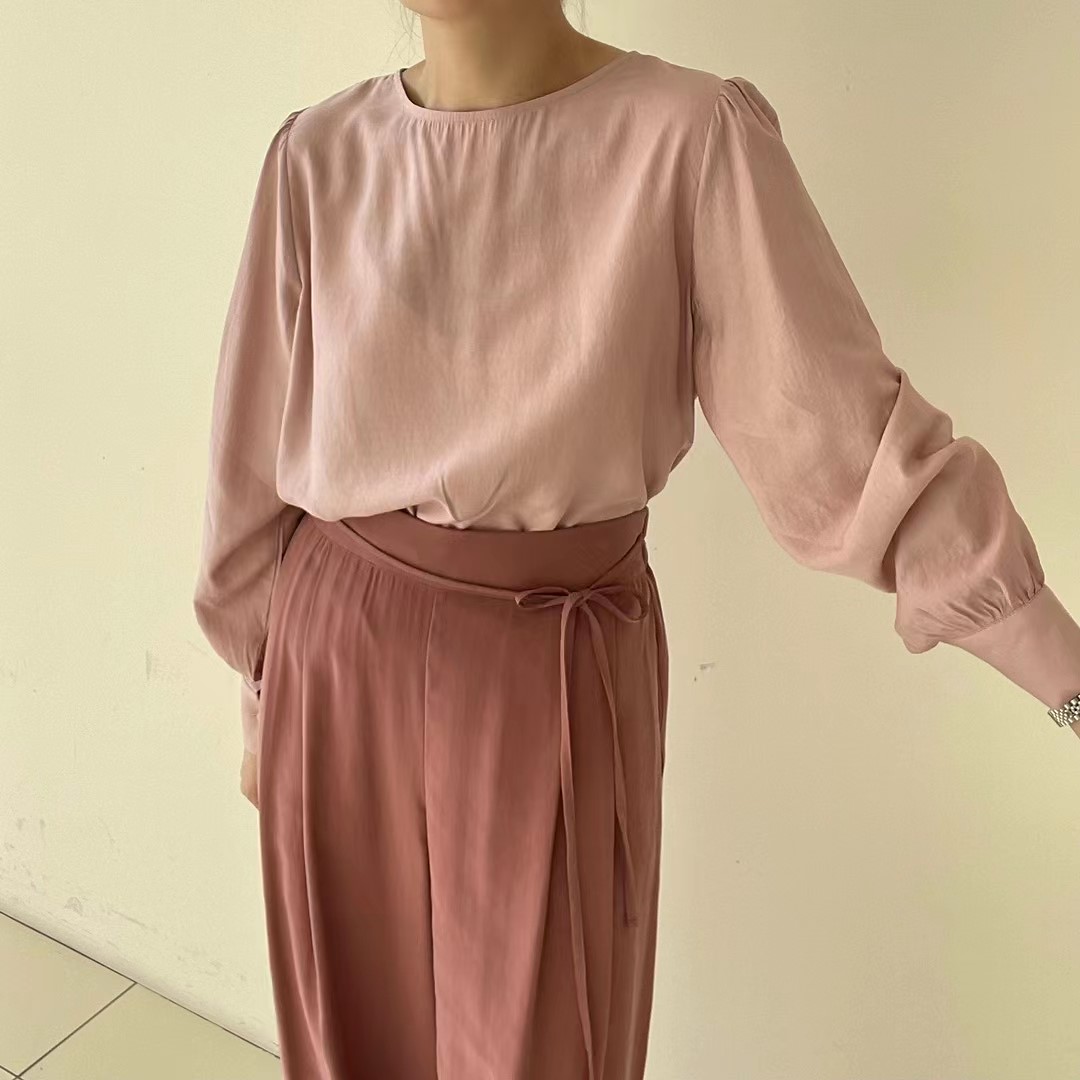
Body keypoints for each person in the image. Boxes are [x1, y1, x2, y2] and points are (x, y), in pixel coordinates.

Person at [192, 5, 1080, 1078]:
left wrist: (1064, 674)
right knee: (351, 1049)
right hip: (334, 663)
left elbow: (852, 448)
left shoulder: (689, 138)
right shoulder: (316, 154)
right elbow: (252, 472)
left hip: (548, 674)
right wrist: (262, 697)